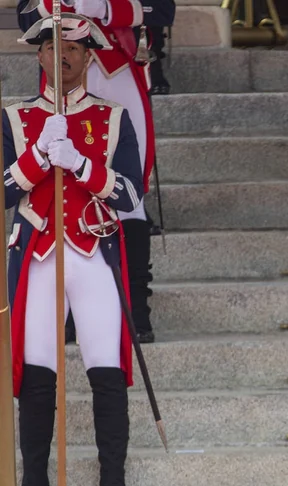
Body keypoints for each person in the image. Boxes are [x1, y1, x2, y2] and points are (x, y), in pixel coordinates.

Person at [3, 16, 143, 486]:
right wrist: (41, 156)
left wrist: (81, 165)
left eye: (74, 48)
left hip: (93, 253)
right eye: (51, 47)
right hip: (39, 253)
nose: (61, 55)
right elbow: (3, 189)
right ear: (38, 56)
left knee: (106, 370)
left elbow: (129, 195)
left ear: (87, 58)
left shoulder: (114, 118)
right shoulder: (15, 119)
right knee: (38, 373)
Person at [18, 0, 177, 343]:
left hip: (121, 71)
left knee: (129, 196)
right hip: (64, 74)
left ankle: (135, 312)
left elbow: (162, 10)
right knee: (65, 188)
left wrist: (105, 7)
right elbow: (26, 16)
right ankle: (73, 312)